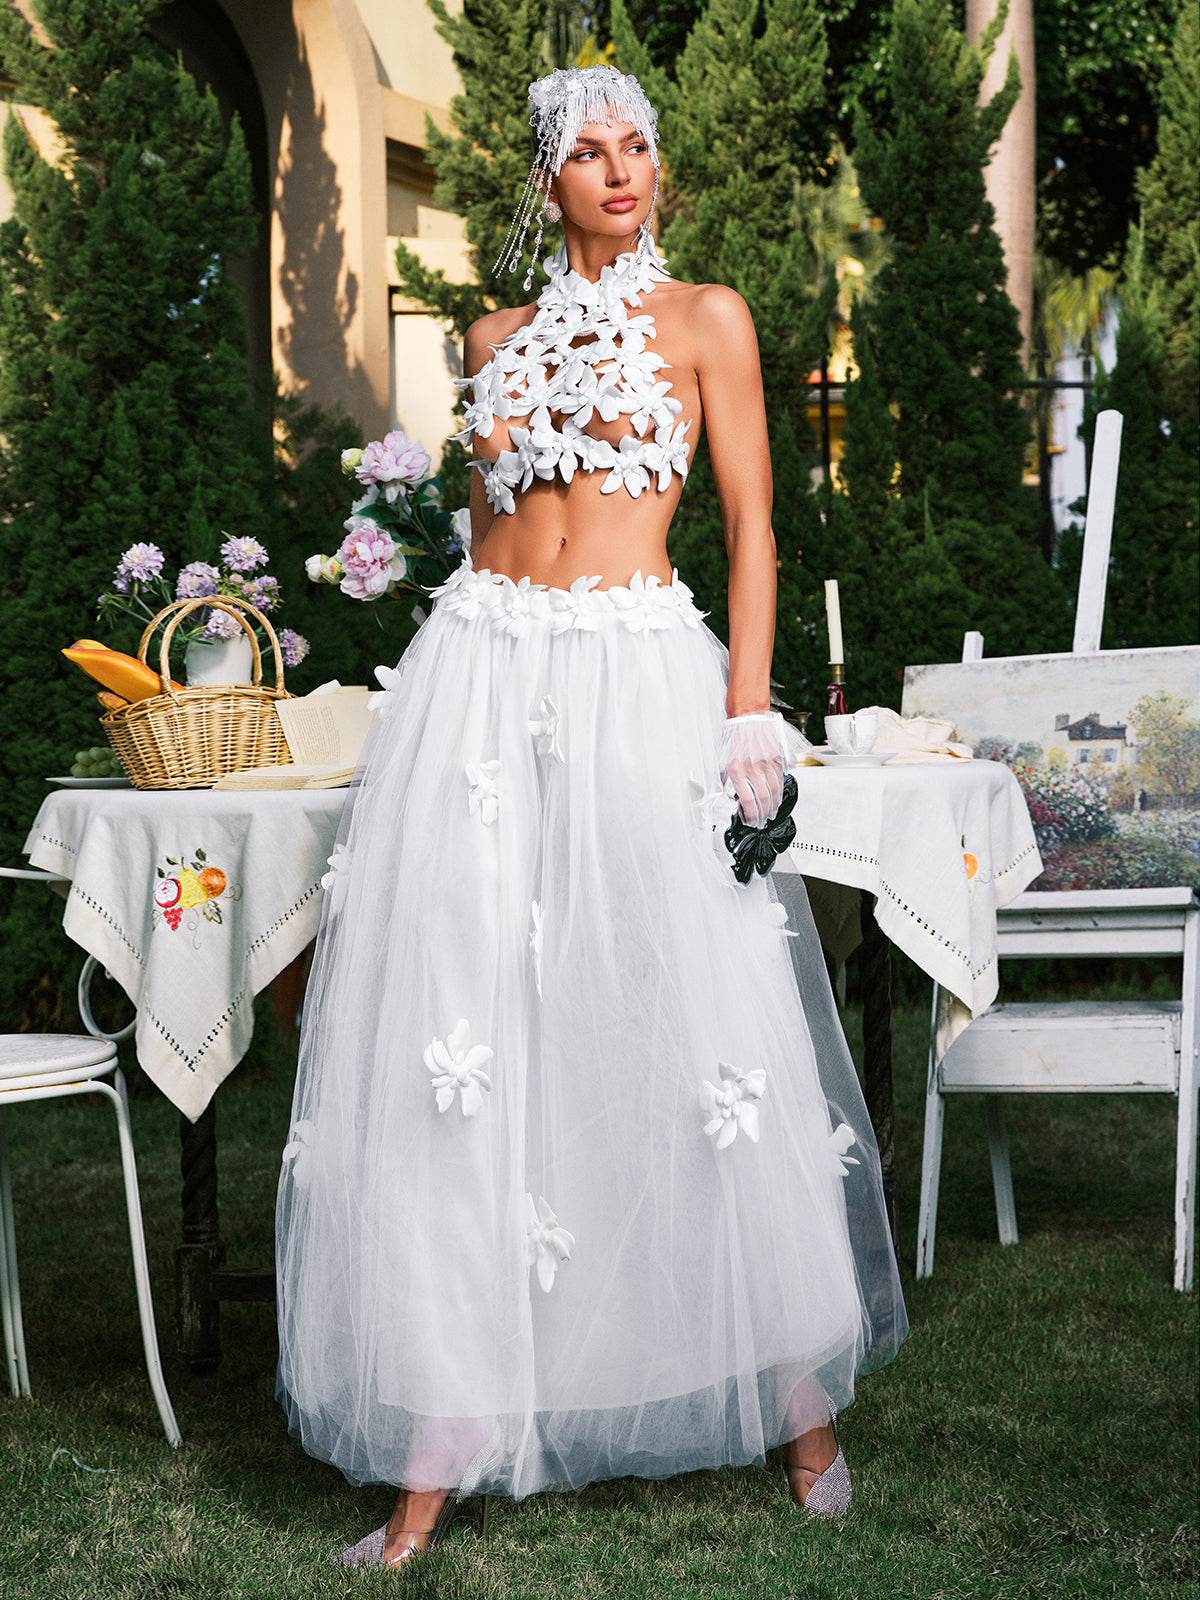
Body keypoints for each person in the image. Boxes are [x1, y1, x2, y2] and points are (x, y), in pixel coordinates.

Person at [273, 64, 908, 1570]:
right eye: (591, 151)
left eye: (639, 147)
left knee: (687, 1013)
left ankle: (796, 1401)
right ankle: (441, 1440)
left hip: (638, 677)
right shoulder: (491, 340)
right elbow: (486, 526)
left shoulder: (707, 321)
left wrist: (746, 711)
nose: (622, 170)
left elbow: (753, 526)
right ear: (547, 180)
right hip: (481, 681)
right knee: (465, 1033)